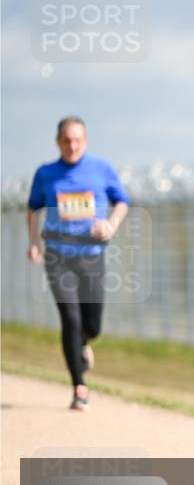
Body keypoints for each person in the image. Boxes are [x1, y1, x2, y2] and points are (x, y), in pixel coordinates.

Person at [26, 117, 130, 411]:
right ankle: (79, 386)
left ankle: (83, 342)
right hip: (58, 257)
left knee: (92, 324)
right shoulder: (46, 174)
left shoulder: (102, 169)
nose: (72, 145)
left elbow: (122, 201)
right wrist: (34, 242)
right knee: (70, 319)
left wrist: (111, 224)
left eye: (78, 140)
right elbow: (33, 208)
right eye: (67, 140)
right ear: (58, 142)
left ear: (85, 140)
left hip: (92, 256)